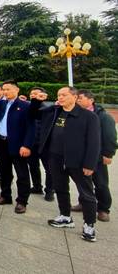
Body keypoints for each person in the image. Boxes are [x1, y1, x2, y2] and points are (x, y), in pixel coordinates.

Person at [31, 87, 101, 242]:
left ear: (75, 97)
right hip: (55, 158)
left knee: (86, 194)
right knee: (61, 189)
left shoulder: (89, 117)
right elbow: (34, 114)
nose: (60, 97)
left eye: (64, 95)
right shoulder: (54, 111)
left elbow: (94, 143)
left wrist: (90, 164)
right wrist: (36, 100)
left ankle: (89, 225)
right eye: (58, 95)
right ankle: (65, 216)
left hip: (77, 161)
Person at [0, 80, 34, 214]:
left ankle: (22, 201)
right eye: (4, 89)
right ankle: (5, 196)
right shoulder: (1, 103)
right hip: (1, 142)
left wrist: (27, 145)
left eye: (8, 89)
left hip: (18, 145)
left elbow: (31, 127)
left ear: (17, 89)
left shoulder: (25, 106)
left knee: (22, 174)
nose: (5, 92)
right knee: (5, 172)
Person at [73, 89, 117, 222]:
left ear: (91, 100)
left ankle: (103, 209)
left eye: (80, 98)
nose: (77, 101)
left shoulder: (103, 116)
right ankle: (84, 202)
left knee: (101, 183)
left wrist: (108, 154)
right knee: (83, 182)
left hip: (97, 157)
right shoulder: (77, 114)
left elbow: (110, 136)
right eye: (76, 98)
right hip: (80, 155)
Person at [28, 87, 54, 202]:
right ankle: (37, 187)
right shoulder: (29, 108)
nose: (33, 95)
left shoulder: (48, 109)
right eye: (32, 94)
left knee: (49, 169)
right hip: (32, 144)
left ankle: (50, 191)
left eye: (36, 94)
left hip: (45, 145)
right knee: (33, 166)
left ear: (43, 96)